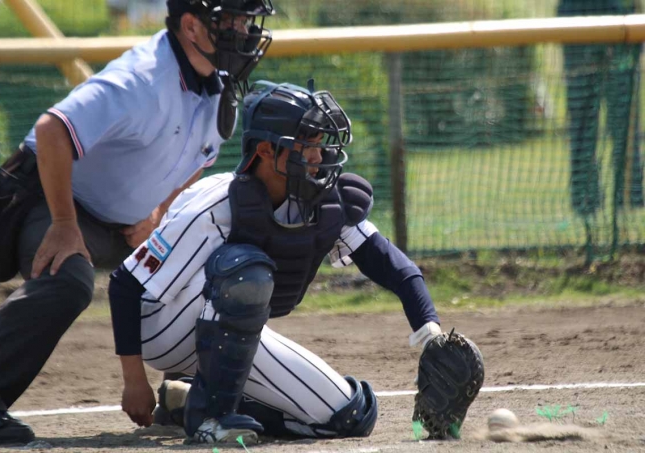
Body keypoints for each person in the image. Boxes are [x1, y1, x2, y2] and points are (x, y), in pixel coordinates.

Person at [0, 0, 275, 445]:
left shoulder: (216, 83)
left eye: (246, 21)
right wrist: (64, 223)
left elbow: (198, 159)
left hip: (123, 222)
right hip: (54, 199)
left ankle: (189, 394)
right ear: (191, 26)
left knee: (211, 269)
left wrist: (158, 211)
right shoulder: (142, 78)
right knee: (67, 280)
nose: (244, 31)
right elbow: (53, 130)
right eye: (231, 20)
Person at [107, 80, 453, 445]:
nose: (317, 157)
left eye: (320, 144)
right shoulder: (214, 205)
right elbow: (125, 284)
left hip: (221, 336)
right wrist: (134, 380)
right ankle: (211, 417)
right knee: (244, 271)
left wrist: (429, 330)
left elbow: (387, 262)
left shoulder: (319, 197)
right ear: (266, 151)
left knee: (349, 415)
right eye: (306, 146)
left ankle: (187, 398)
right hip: (160, 330)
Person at [558, 0, 644, 215]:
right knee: (582, 125)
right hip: (576, 21)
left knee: (624, 122)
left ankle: (631, 197)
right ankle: (585, 200)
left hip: (619, 21)